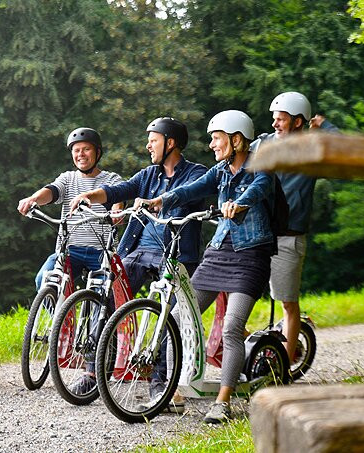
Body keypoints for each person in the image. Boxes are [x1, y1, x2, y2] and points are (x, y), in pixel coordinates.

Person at [137, 110, 273, 424]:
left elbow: (259, 188)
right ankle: (176, 393)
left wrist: (240, 203)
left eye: (216, 138)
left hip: (251, 255)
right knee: (176, 318)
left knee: (231, 328)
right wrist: (160, 200)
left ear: (236, 139)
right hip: (218, 252)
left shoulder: (261, 165)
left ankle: (223, 402)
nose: (211, 144)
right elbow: (193, 189)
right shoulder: (220, 170)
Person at [69, 117, 208, 396]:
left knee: (166, 316)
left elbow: (187, 194)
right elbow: (119, 190)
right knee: (106, 300)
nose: (148, 145)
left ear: (170, 143)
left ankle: (160, 384)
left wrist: (160, 201)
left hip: (175, 255)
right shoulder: (148, 175)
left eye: (153, 140)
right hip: (138, 251)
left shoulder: (196, 173)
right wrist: (90, 196)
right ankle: (93, 371)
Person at [252, 92, 338, 365]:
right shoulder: (263, 143)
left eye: (282, 119)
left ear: (299, 122)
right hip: (256, 235)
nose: (275, 123)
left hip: (288, 238)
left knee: (288, 302)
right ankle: (254, 351)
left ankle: (285, 368)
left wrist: (324, 126)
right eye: (274, 119)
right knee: (237, 299)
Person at [17, 127, 124, 290]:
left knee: (103, 292)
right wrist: (33, 199)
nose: (81, 154)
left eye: (86, 149)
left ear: (98, 152)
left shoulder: (111, 179)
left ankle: (99, 316)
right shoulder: (68, 178)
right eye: (76, 150)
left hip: (101, 253)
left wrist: (117, 209)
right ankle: (62, 315)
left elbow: (118, 196)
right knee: (44, 281)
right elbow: (51, 191)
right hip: (70, 251)